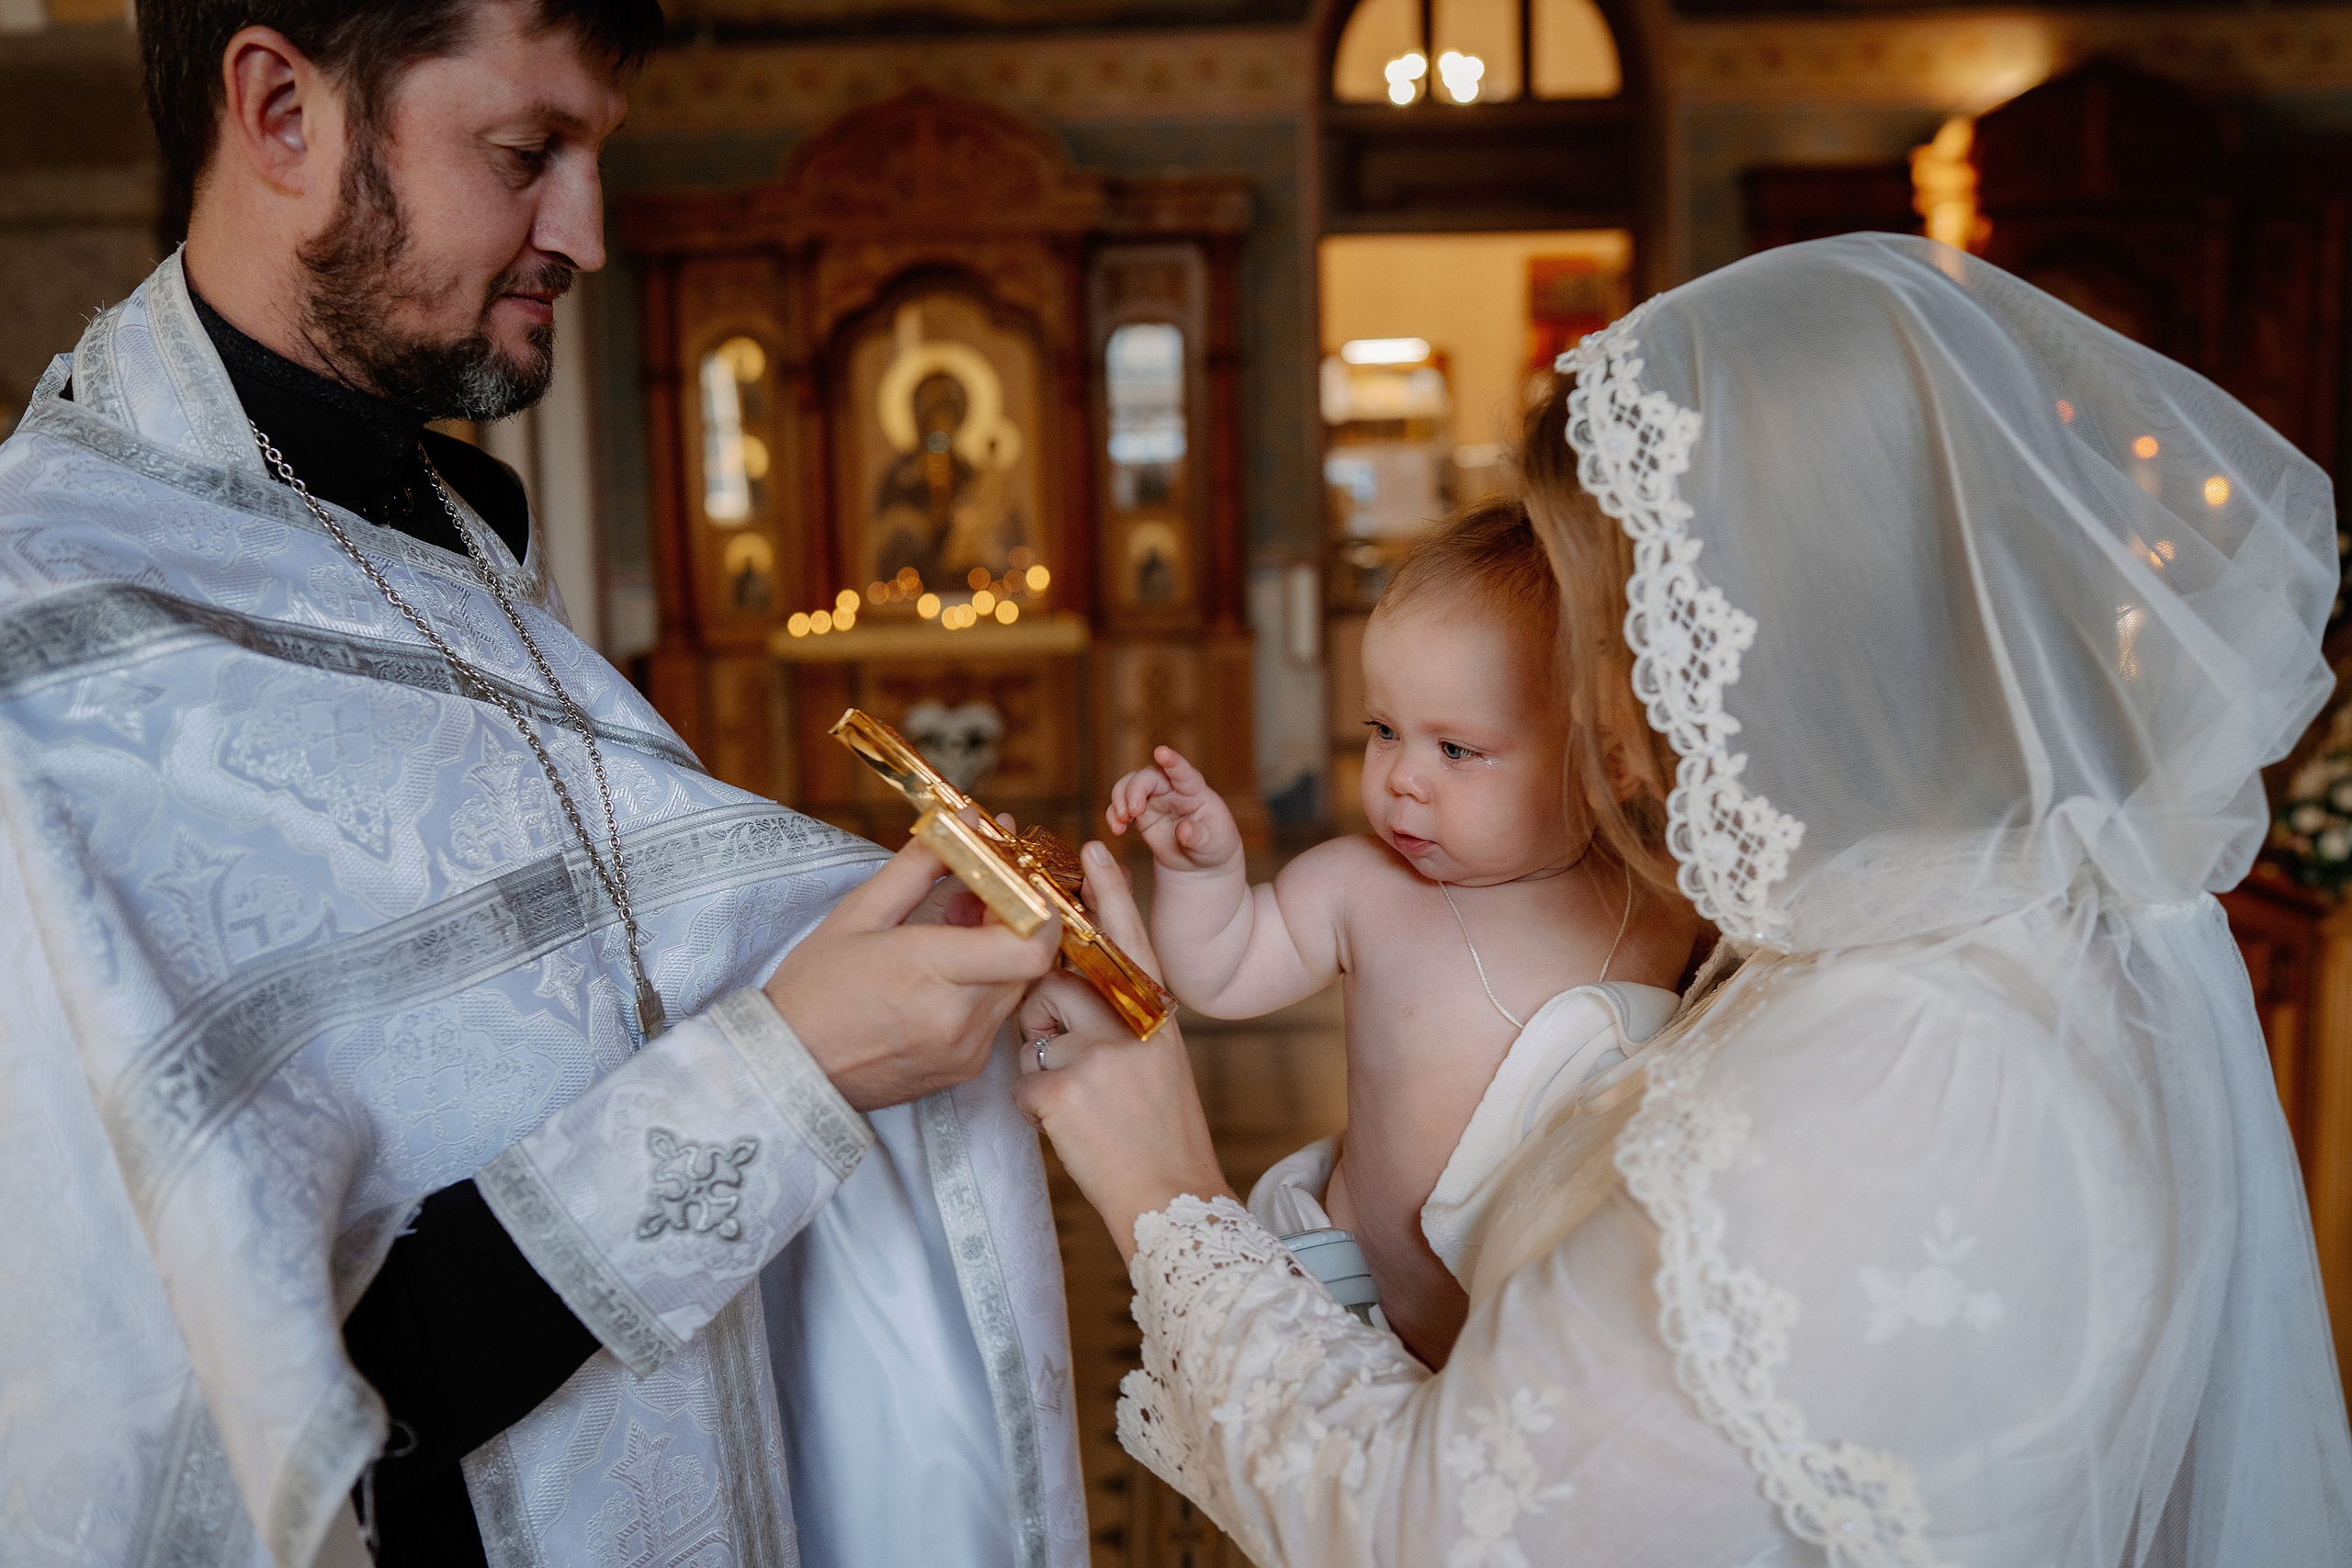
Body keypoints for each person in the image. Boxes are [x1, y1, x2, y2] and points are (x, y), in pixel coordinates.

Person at [1016, 233, 2352, 1564]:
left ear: (1758, 626)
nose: (1607, 700)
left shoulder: (1899, 1064)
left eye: (1615, 631)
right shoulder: (1893, 928)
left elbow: (1438, 1532)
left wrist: (1161, 1180)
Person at [0, 5, 1086, 1567]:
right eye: (527, 153)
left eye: (596, 155)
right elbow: (229, 1407)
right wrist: (792, 1067)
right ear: (283, 113)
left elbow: (581, 1009)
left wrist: (867, 946)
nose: (582, 230)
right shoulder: (50, 648)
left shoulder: (450, 523)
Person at [1102, 502, 1698, 1365]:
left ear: (1603, 757)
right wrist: (1203, 879)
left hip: (1551, 1354)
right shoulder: (1362, 886)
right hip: (1362, 1319)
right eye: (1383, 730)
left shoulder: (1661, 901)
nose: (1403, 778)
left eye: (1456, 749)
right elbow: (1223, 972)